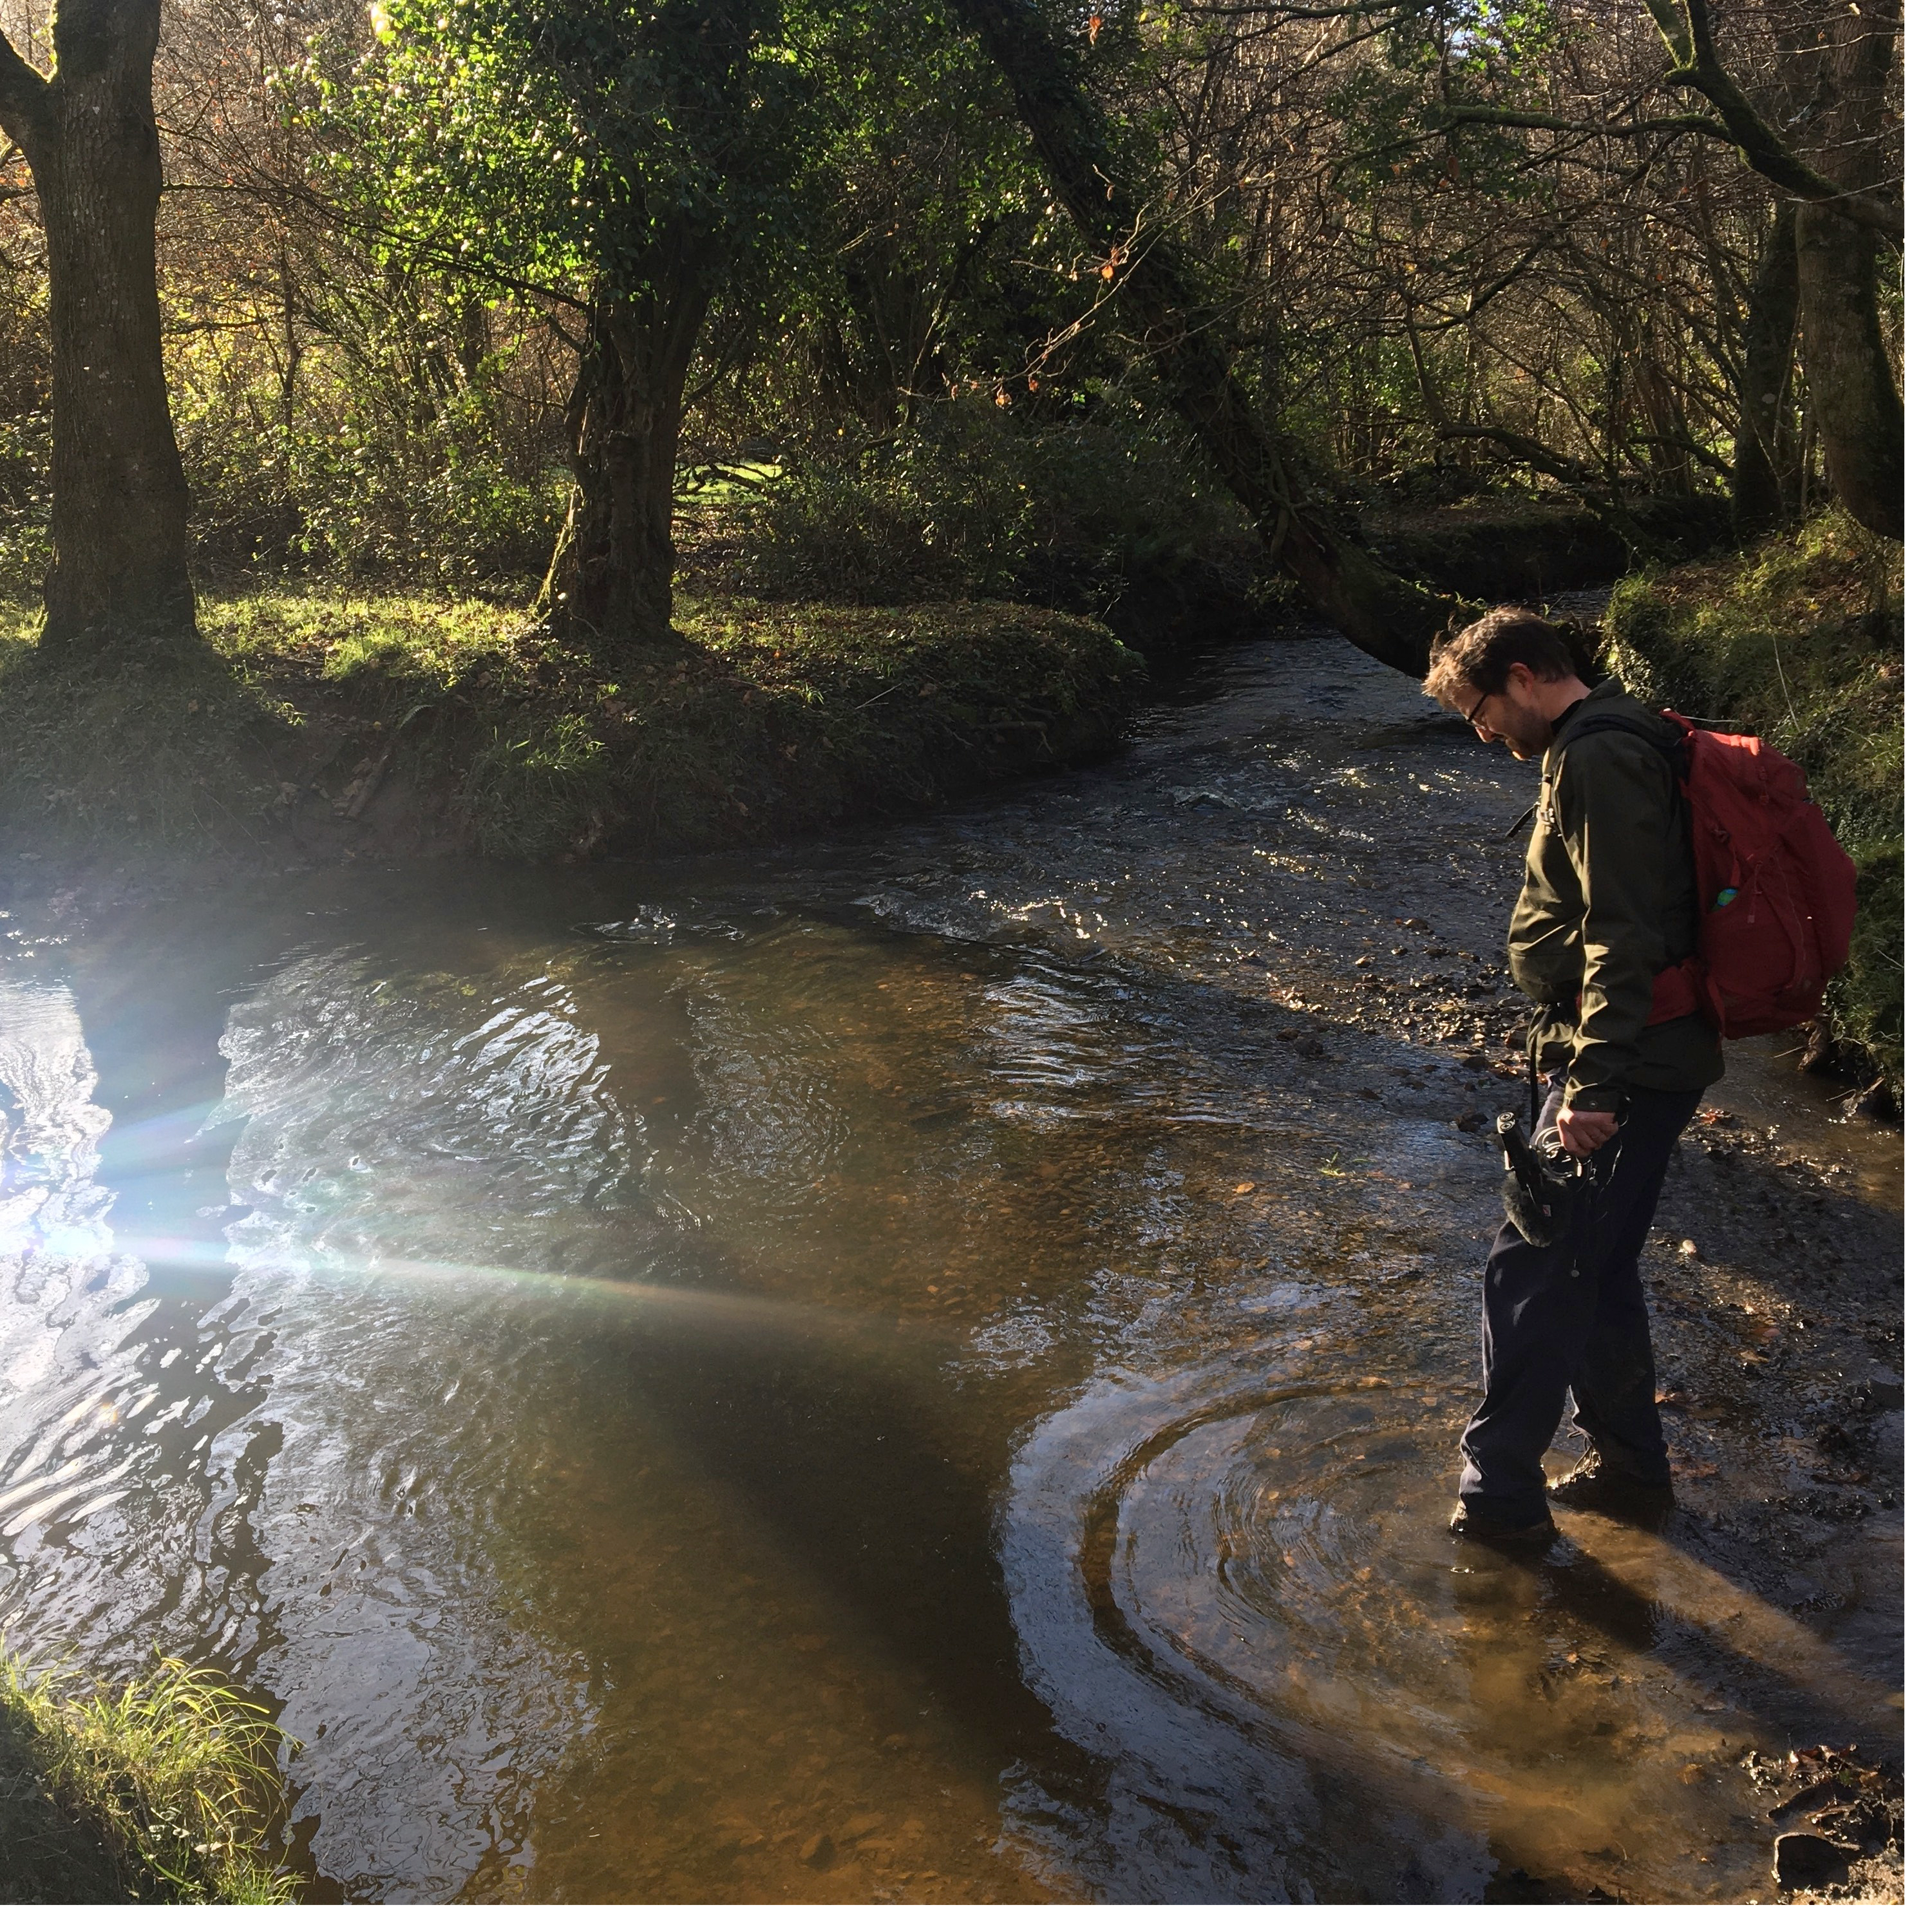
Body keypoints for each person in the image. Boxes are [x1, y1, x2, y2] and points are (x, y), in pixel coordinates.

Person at [1421, 608, 1722, 1542]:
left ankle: (1498, 1495)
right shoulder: (1608, 737)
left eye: (1478, 711)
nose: (1481, 733)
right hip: (1635, 1052)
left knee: (1534, 1264)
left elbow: (1623, 933)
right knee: (1597, 1266)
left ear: (1521, 677)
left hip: (1624, 1065)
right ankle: (1633, 1472)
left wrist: (1591, 1085)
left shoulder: (1598, 755)